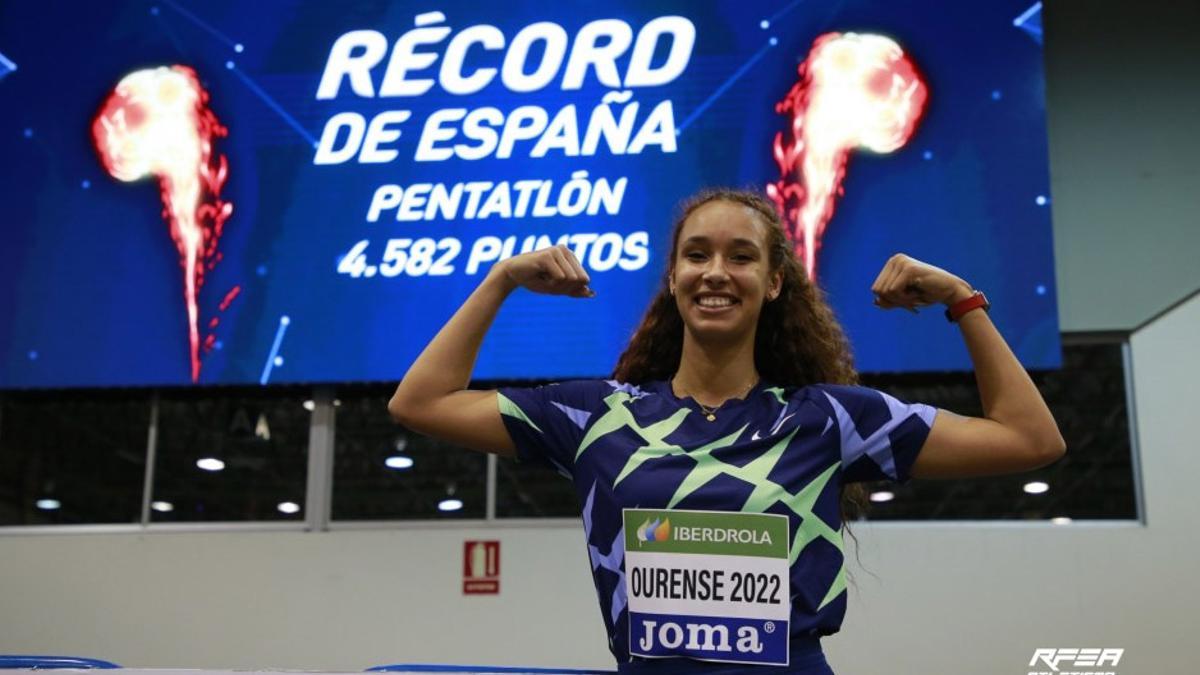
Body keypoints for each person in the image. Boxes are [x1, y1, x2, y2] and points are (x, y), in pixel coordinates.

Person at [388, 188, 1066, 674]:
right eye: (696, 254)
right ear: (674, 276)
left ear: (773, 282)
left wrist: (962, 299)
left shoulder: (827, 418)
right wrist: (501, 279)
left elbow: (1029, 438)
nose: (715, 271)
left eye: (740, 256)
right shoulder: (597, 416)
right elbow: (421, 401)